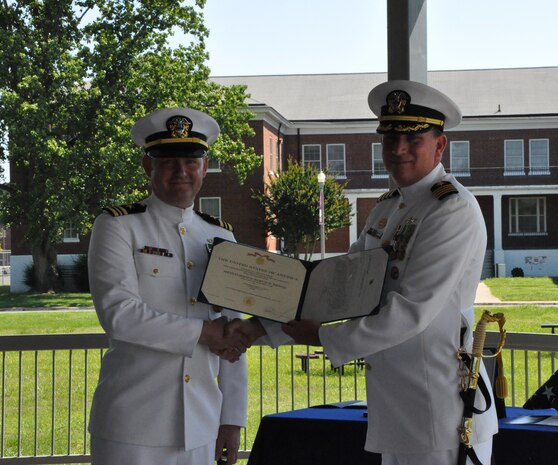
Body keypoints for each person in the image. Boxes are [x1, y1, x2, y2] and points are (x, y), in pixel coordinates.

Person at [241, 80, 498, 465]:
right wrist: (260, 327)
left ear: (439, 145)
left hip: (440, 411)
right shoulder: (387, 209)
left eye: (413, 139)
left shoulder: (452, 210)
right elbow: (337, 287)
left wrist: (324, 338)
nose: (398, 149)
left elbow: (410, 311)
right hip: (398, 410)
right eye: (390, 138)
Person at [88, 108, 251, 465]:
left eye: (191, 162)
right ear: (149, 167)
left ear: (205, 168)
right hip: (132, 427)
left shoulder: (220, 235)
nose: (181, 172)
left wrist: (232, 419)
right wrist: (204, 333)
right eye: (168, 161)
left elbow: (233, 329)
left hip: (202, 425)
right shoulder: (118, 226)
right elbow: (120, 315)